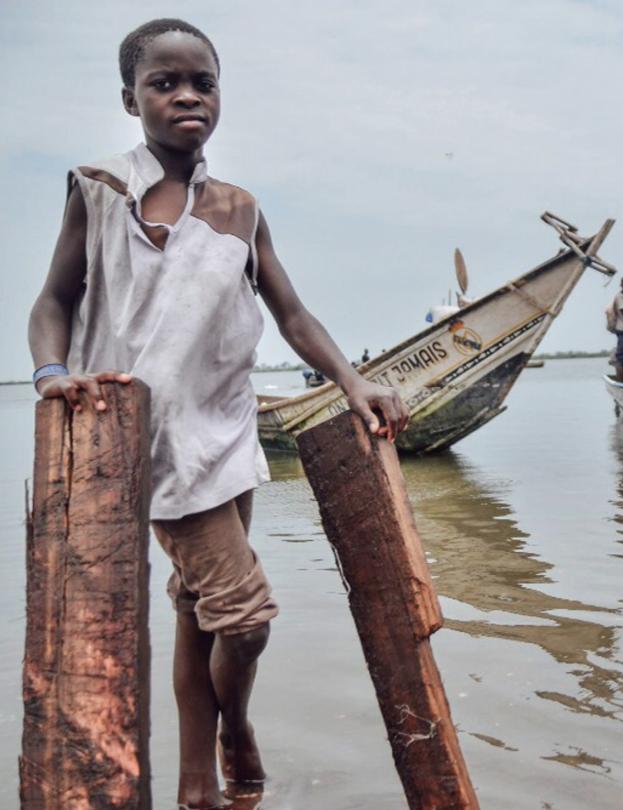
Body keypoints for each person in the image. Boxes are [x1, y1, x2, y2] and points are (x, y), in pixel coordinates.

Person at [26, 19, 409, 810]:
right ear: (130, 100)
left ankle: (201, 781)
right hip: (138, 441)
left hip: (224, 433)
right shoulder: (98, 189)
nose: (188, 95)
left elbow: (294, 315)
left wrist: (353, 383)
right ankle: (235, 727)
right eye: (165, 83)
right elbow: (53, 302)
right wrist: (52, 374)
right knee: (246, 619)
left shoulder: (239, 209)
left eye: (203, 81)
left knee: (201, 612)